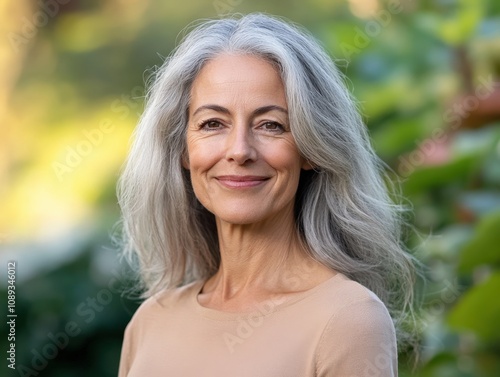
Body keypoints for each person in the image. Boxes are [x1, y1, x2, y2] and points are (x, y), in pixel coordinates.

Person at [117, 13, 417, 377]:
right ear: (182, 149)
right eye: (213, 123)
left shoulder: (347, 319)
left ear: (310, 148)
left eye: (271, 125)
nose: (240, 150)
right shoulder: (151, 322)